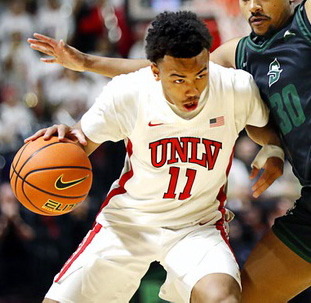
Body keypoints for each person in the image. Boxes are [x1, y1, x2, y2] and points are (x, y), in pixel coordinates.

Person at [28, 1, 311, 302]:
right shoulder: (134, 90)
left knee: (225, 298)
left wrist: (273, 148)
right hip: (129, 224)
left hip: (197, 227)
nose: (192, 88)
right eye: (178, 79)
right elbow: (80, 143)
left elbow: (262, 124)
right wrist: (61, 143)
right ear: (156, 72)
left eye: (200, 75)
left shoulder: (234, 84)